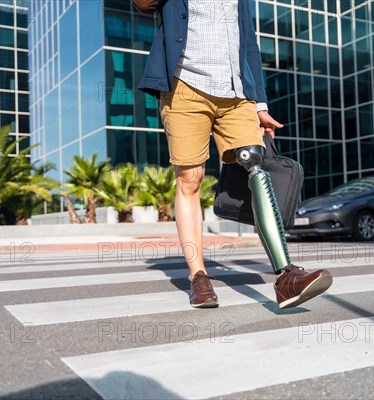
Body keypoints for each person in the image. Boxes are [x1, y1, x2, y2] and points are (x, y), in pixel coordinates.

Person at [133, 0, 332, 308]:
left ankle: (286, 276)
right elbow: (143, 4)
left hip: (236, 92)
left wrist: (260, 104)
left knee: (255, 163)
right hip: (185, 87)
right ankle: (198, 276)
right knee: (190, 178)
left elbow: (248, 42)